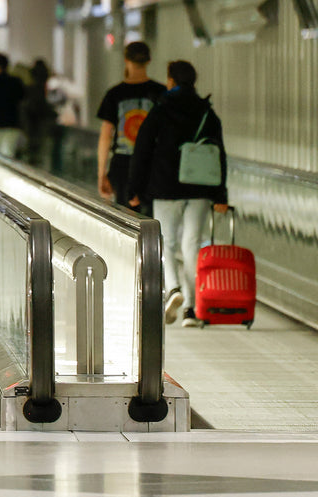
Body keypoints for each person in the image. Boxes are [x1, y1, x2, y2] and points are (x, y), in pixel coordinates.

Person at [127, 60, 229, 329]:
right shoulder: (207, 113)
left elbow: (142, 150)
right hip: (200, 189)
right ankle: (192, 310)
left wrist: (134, 189)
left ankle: (173, 289)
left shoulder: (161, 110)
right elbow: (220, 155)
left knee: (167, 242)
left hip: (166, 187)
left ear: (170, 80)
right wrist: (221, 195)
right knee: (192, 244)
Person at [96, 41, 165, 210]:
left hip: (122, 166)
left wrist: (101, 174)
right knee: (153, 219)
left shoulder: (115, 94)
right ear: (149, 61)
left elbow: (106, 136)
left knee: (126, 219)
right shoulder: (161, 92)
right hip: (154, 164)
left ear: (126, 60)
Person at [22, 59, 59, 169]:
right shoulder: (42, 90)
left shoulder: (30, 89)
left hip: (31, 125)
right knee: (43, 152)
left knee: (32, 150)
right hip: (41, 124)